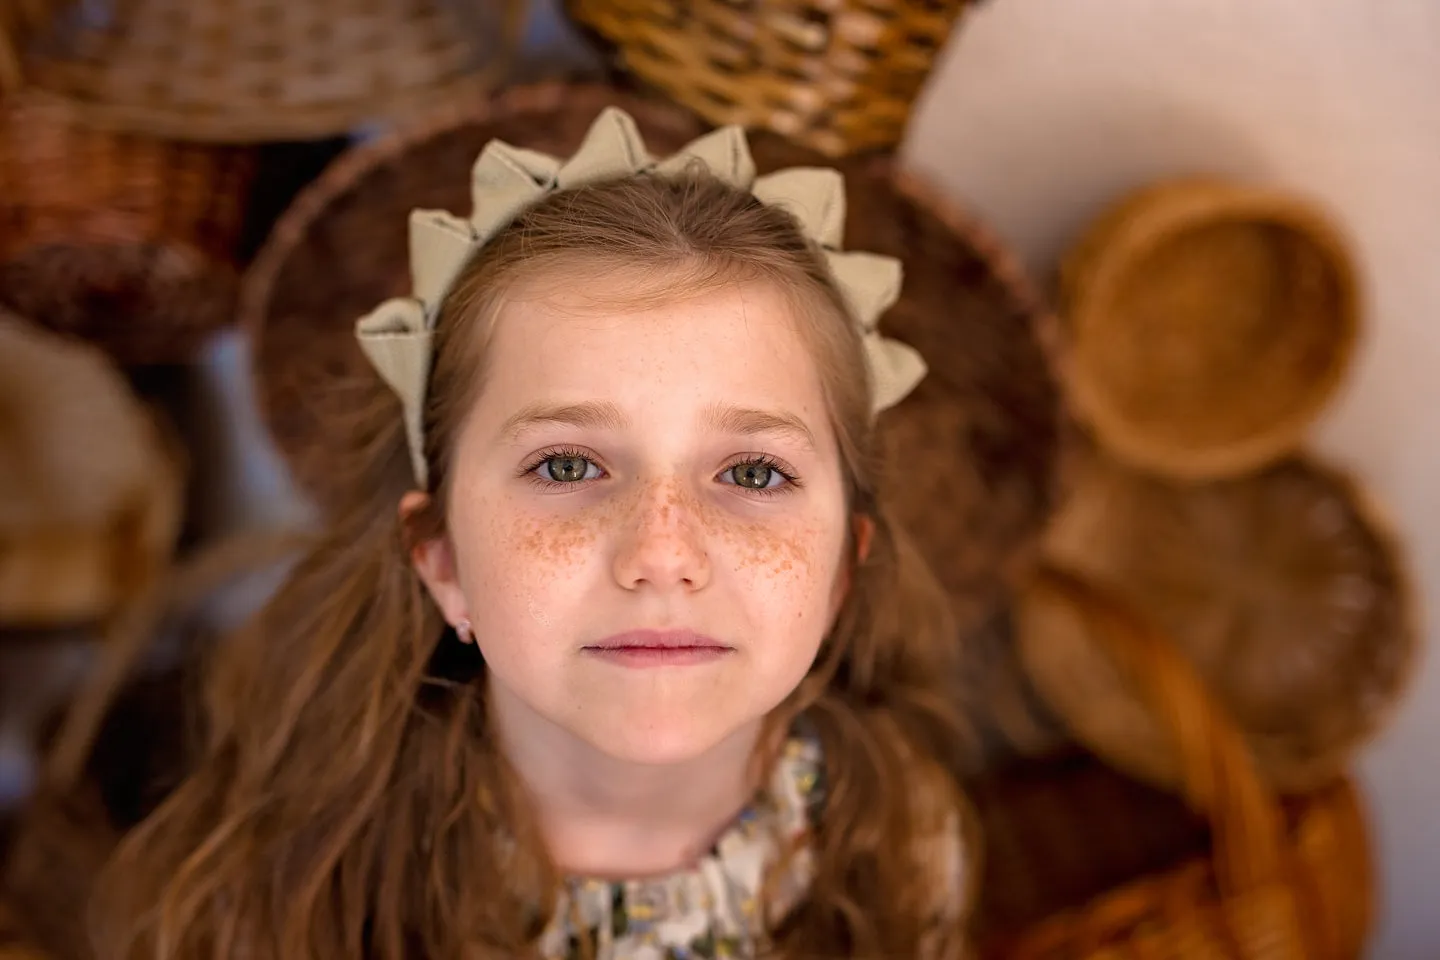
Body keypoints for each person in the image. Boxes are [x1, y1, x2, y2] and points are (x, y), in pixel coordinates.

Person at [94, 107, 977, 959]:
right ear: (440, 559)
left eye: (752, 473)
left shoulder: (898, 839)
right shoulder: (301, 883)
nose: (662, 554)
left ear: (841, 572)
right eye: (566, 466)